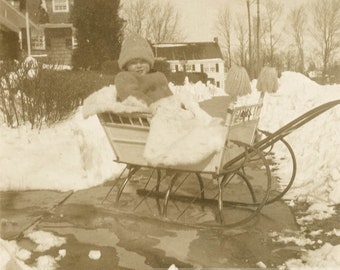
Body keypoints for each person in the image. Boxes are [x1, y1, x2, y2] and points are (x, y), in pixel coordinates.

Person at [115, 34, 173, 106]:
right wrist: (152, 105)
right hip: (141, 113)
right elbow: (131, 95)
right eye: (133, 63)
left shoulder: (159, 76)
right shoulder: (124, 77)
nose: (139, 66)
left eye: (143, 62)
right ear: (126, 65)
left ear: (149, 63)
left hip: (164, 111)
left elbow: (169, 94)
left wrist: (176, 105)